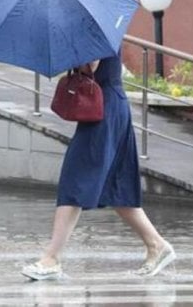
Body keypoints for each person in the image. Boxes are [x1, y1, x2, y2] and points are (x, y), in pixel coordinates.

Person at [21, 51, 175, 280]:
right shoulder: (95, 28)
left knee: (74, 179)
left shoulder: (92, 30)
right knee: (116, 187)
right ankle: (157, 245)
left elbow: (91, 65)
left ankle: (51, 258)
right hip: (108, 107)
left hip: (104, 110)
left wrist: (74, 56)